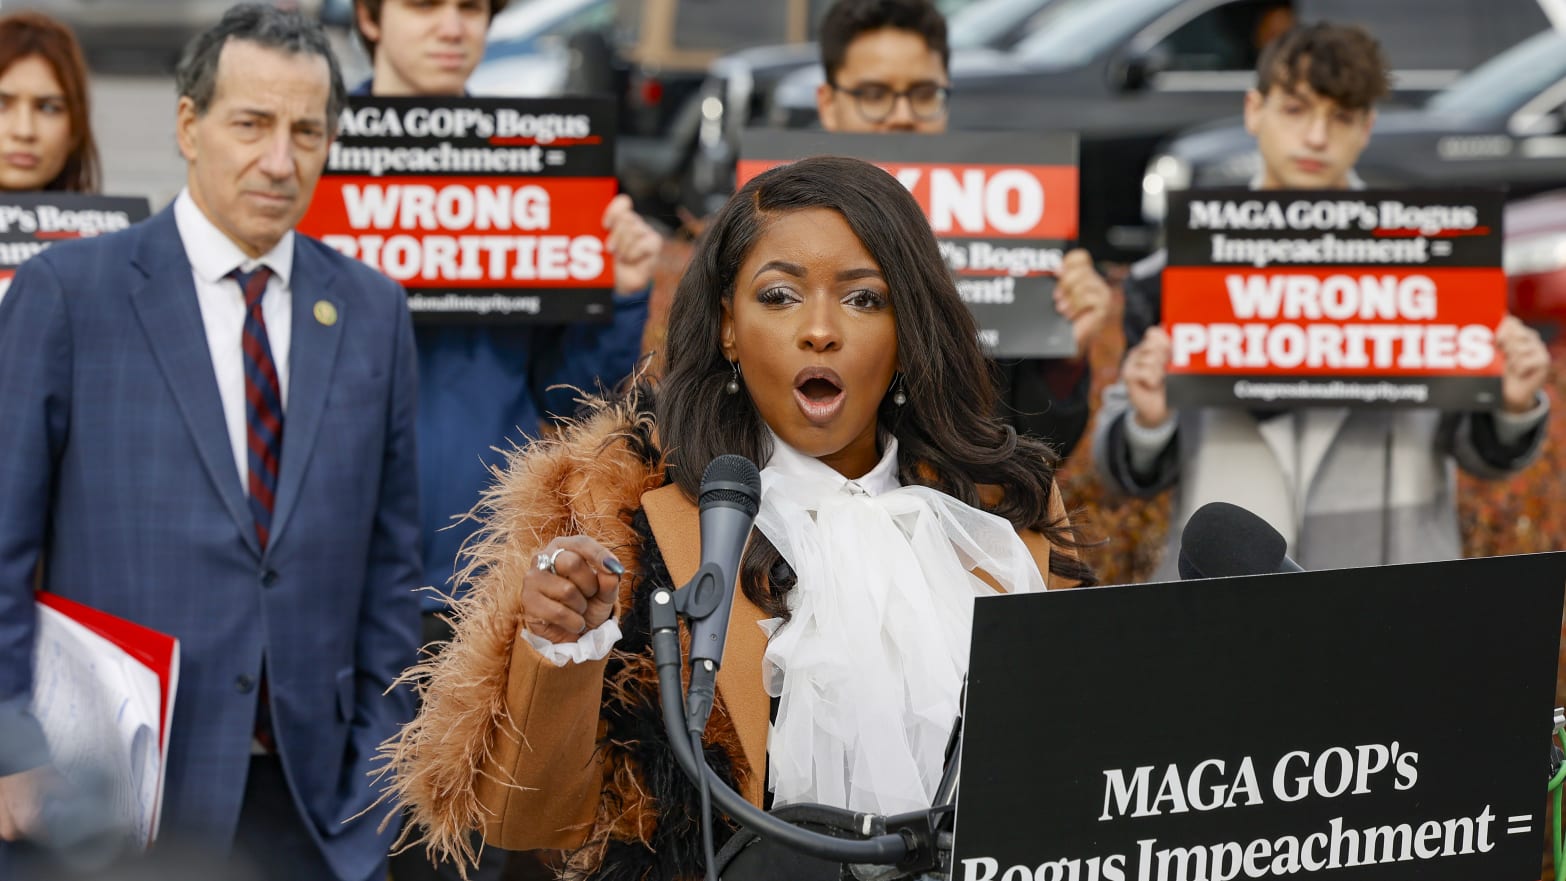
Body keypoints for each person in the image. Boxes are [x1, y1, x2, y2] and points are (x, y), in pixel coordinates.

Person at [379, 156, 1096, 878]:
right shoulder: (632, 519)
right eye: (780, 295)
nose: (820, 331)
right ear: (728, 326)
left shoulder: (1003, 513)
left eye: (863, 300)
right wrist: (564, 648)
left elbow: (1086, 775)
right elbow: (529, 820)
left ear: (908, 329)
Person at [0, 6, 422, 881]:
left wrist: (374, 781)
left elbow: (391, 567)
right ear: (189, 126)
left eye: (307, 131)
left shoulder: (374, 312)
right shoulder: (68, 295)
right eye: (252, 124)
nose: (281, 159)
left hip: (319, 813)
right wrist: (13, 750)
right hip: (107, 812)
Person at [1091, 22, 1552, 579]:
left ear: (1366, 128)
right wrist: (1147, 421)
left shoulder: (1437, 264)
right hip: (1226, 602)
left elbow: (1484, 454)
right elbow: (1126, 472)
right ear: (1253, 110)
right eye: (1296, 109)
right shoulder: (1171, 276)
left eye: (1341, 116)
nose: (1315, 137)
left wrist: (1514, 406)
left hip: (1393, 595)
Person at [349, 0, 658, 635]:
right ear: (369, 17)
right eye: (424, 5)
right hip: (336, 567)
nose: (453, 26)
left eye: (472, 7)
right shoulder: (308, 155)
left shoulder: (533, 166)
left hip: (477, 569)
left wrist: (620, 294)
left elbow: (573, 401)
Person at [812, 0, 1110, 457]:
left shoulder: (1010, 226)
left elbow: (1039, 446)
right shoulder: (780, 224)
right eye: (873, 95)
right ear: (828, 104)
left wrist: (1063, 361)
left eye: (924, 93)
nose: (902, 115)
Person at [0, 10, 99, 192]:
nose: (24, 131)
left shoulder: (125, 220)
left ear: (76, 130)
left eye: (48, 108)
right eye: (2, 104)